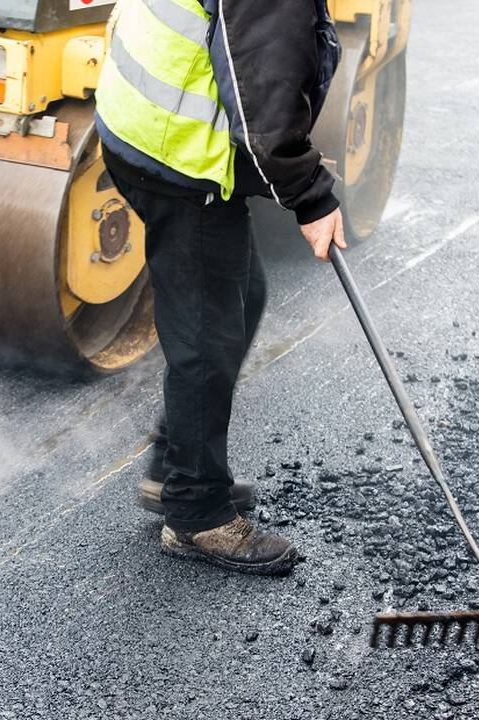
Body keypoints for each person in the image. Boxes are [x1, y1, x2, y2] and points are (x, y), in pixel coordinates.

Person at [95, 0, 346, 576]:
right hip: (175, 152)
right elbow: (263, 94)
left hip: (138, 120)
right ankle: (196, 511)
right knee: (208, 335)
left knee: (240, 296)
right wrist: (311, 196)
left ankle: (174, 466)